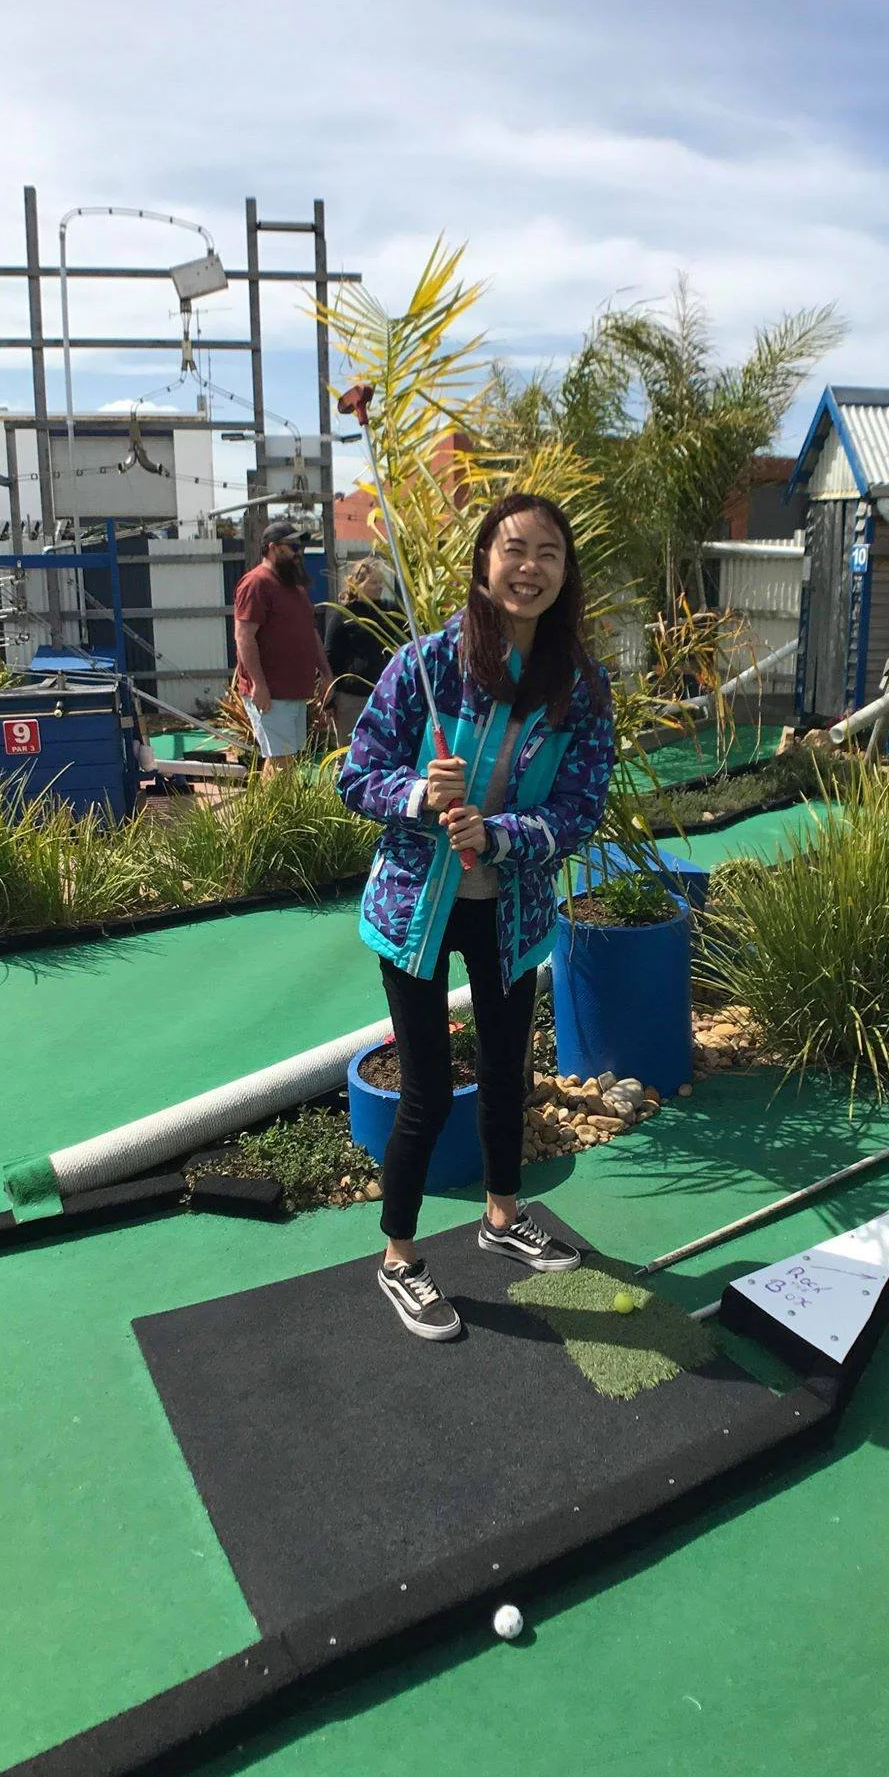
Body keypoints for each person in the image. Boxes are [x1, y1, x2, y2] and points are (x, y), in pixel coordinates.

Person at [338, 493, 616, 1340]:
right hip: (415, 912)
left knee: (505, 1074)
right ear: (484, 563)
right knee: (426, 1088)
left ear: (565, 576)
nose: (528, 567)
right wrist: (420, 794)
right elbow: (356, 776)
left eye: (549, 554)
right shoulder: (427, 664)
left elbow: (580, 808)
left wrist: (498, 835)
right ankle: (400, 1261)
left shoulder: (580, 687)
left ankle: (502, 1218)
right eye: (513, 549)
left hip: (511, 911)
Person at [232, 520, 332, 769]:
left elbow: (311, 633)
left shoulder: (294, 588)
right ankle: (276, 809)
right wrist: (259, 684)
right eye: (293, 547)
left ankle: (269, 808)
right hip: (271, 693)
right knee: (281, 762)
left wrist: (327, 674)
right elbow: (244, 636)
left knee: (283, 761)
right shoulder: (256, 583)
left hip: (294, 692)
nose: (299, 553)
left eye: (301, 547)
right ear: (273, 547)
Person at [323, 557, 398, 745]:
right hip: (351, 697)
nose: (380, 587)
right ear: (357, 584)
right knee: (350, 751)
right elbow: (330, 656)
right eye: (374, 582)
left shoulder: (391, 611)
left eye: (381, 582)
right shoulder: (343, 614)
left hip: (385, 695)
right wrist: (329, 700)